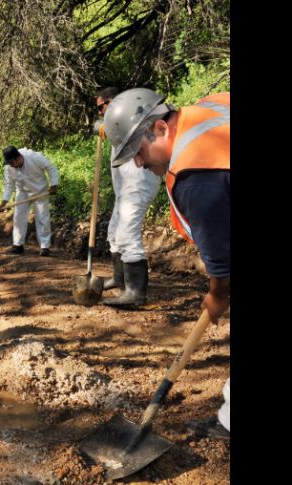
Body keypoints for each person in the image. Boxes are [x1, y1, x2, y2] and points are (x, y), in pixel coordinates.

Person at [104, 87, 229, 440]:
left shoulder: (196, 176)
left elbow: (223, 265)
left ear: (159, 129)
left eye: (139, 153)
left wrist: (217, 297)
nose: (140, 164)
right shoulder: (211, 108)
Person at [94, 87, 162, 307]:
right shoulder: (119, 121)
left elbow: (138, 129)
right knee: (114, 234)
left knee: (126, 234)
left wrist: (108, 127)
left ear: (111, 102)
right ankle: (120, 279)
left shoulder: (132, 115)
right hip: (125, 188)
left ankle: (135, 294)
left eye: (100, 107)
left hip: (139, 182)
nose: (100, 113)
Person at [0, 145, 59, 256]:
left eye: (12, 163)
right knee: (18, 217)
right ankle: (18, 245)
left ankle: (45, 247)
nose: (11, 165)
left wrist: (53, 184)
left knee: (42, 218)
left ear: (18, 157)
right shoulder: (9, 167)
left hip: (40, 191)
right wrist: (4, 201)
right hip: (22, 192)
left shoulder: (34, 157)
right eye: (9, 163)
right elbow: (9, 184)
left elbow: (51, 168)